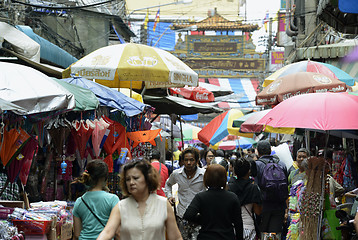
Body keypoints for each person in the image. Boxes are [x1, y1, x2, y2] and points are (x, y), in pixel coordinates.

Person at [97, 159, 182, 240]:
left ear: (147, 179)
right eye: (128, 179)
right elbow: (107, 233)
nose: (131, 182)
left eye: (136, 178)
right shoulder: (120, 207)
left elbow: (175, 237)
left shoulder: (163, 204)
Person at [183, 164, 243, 240]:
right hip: (226, 236)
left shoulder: (201, 197)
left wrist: (202, 219)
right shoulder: (232, 197)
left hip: (205, 236)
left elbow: (188, 215)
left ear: (206, 178)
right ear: (224, 178)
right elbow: (238, 223)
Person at [165, 147, 206, 239]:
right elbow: (167, 185)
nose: (188, 163)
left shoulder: (204, 174)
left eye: (191, 160)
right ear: (182, 161)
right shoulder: (176, 174)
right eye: (186, 160)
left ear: (196, 161)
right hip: (182, 215)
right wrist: (169, 196)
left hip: (198, 216)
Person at [73, 160, 119, 240]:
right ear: (105, 178)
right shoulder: (113, 199)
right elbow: (118, 231)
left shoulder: (79, 201)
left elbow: (77, 234)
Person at [255, 140, 288, 239]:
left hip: (263, 206)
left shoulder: (256, 165)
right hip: (279, 206)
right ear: (270, 150)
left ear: (258, 151)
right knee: (275, 234)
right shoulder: (281, 164)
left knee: (263, 234)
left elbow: (255, 187)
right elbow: (286, 186)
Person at [229, 158, 262, 240]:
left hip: (232, 228)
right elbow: (258, 211)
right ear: (249, 171)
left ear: (235, 172)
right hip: (249, 228)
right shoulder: (253, 188)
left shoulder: (229, 187)